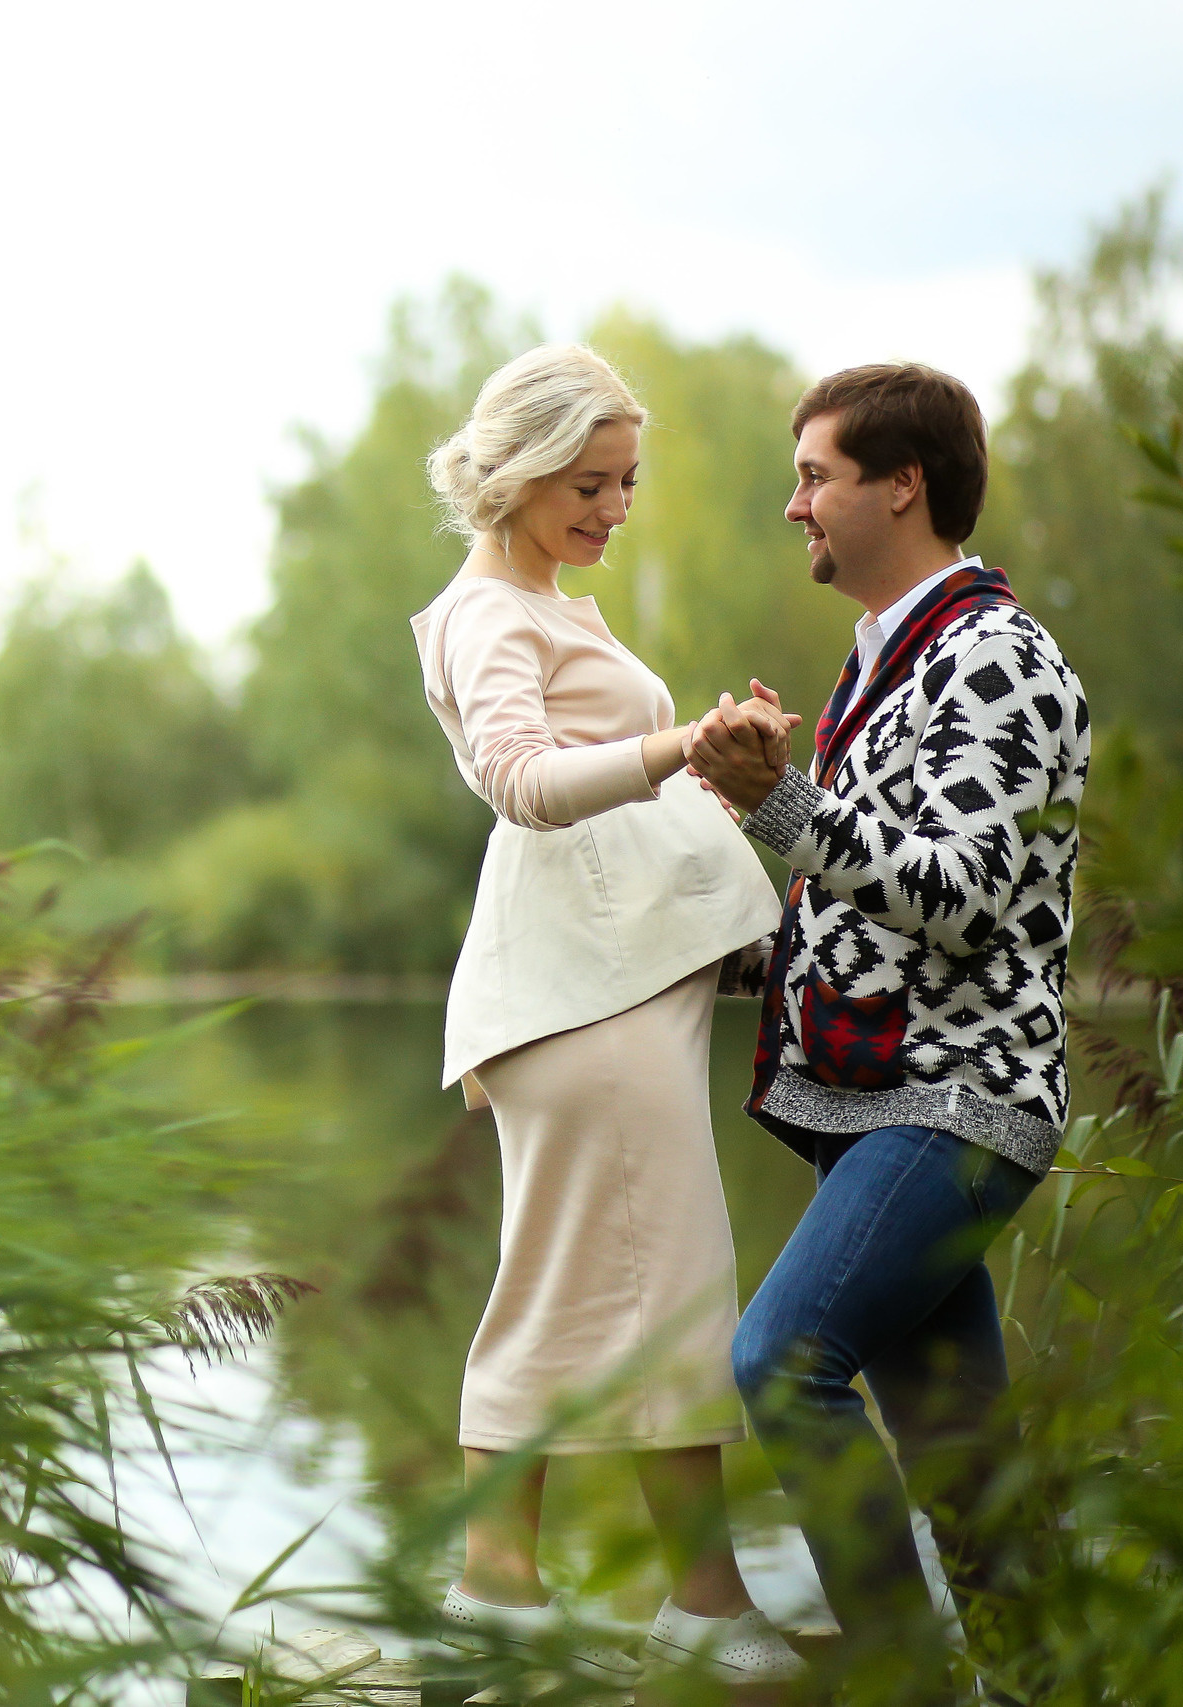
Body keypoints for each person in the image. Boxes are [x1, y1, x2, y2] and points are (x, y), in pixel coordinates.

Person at [688, 362, 1089, 1696]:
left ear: (902, 485)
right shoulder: (890, 658)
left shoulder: (998, 660)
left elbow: (962, 899)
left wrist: (782, 803)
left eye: (816, 476)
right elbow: (874, 912)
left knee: (783, 1363)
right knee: (964, 1459)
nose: (793, 503)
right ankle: (1048, 1684)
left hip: (957, 1106)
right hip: (886, 1108)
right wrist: (728, 959)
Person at [410, 343, 806, 1690]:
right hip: (588, 1000)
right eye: (589, 482)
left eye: (627, 481)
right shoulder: (489, 615)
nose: (615, 507)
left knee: (621, 1289)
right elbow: (521, 782)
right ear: (518, 472)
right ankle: (664, 1602)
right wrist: (682, 746)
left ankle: (519, 1590)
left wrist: (707, 760)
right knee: (644, 1289)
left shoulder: (542, 602)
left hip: (613, 989)